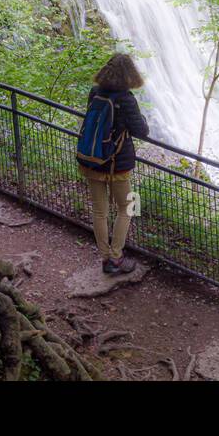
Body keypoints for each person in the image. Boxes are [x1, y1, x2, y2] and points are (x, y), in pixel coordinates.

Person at [79, 53, 150, 274]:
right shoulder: (126, 99)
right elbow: (142, 131)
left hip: (92, 159)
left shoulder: (95, 92)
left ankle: (105, 258)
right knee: (126, 207)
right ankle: (116, 257)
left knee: (100, 211)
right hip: (117, 164)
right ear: (130, 74)